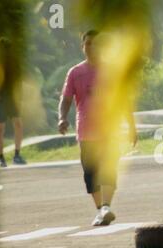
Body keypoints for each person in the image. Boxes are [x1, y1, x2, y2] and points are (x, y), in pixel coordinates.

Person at [58, 30, 137, 226]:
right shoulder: (75, 73)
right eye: (88, 44)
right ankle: (102, 209)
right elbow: (66, 99)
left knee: (109, 169)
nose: (93, 48)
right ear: (82, 47)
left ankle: (106, 206)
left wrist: (131, 126)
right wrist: (62, 118)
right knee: (91, 173)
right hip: (86, 132)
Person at [0, 37, 27, 167]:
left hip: (12, 97)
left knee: (18, 124)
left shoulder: (15, 62)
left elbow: (19, 80)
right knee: (0, 128)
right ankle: (1, 158)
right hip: (0, 97)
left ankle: (17, 155)